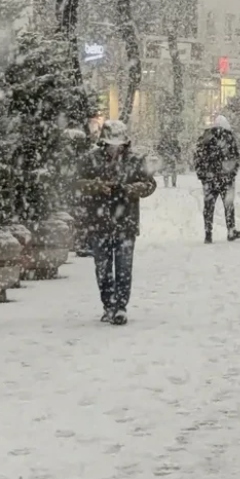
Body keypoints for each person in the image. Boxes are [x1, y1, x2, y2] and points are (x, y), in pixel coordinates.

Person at [76, 120, 156, 325]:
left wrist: (132, 188)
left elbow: (149, 184)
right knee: (102, 266)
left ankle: (120, 306)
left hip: (126, 220)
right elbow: (76, 184)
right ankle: (108, 305)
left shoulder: (136, 160)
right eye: (111, 145)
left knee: (123, 266)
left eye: (118, 145)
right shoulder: (89, 159)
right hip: (99, 220)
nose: (114, 149)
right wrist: (96, 186)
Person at [193, 116, 240, 243]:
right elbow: (235, 158)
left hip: (209, 179)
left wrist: (203, 176)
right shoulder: (229, 139)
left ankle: (208, 233)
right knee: (229, 205)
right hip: (225, 178)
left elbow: (197, 158)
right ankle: (231, 230)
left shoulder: (205, 139)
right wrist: (231, 173)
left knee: (209, 206)